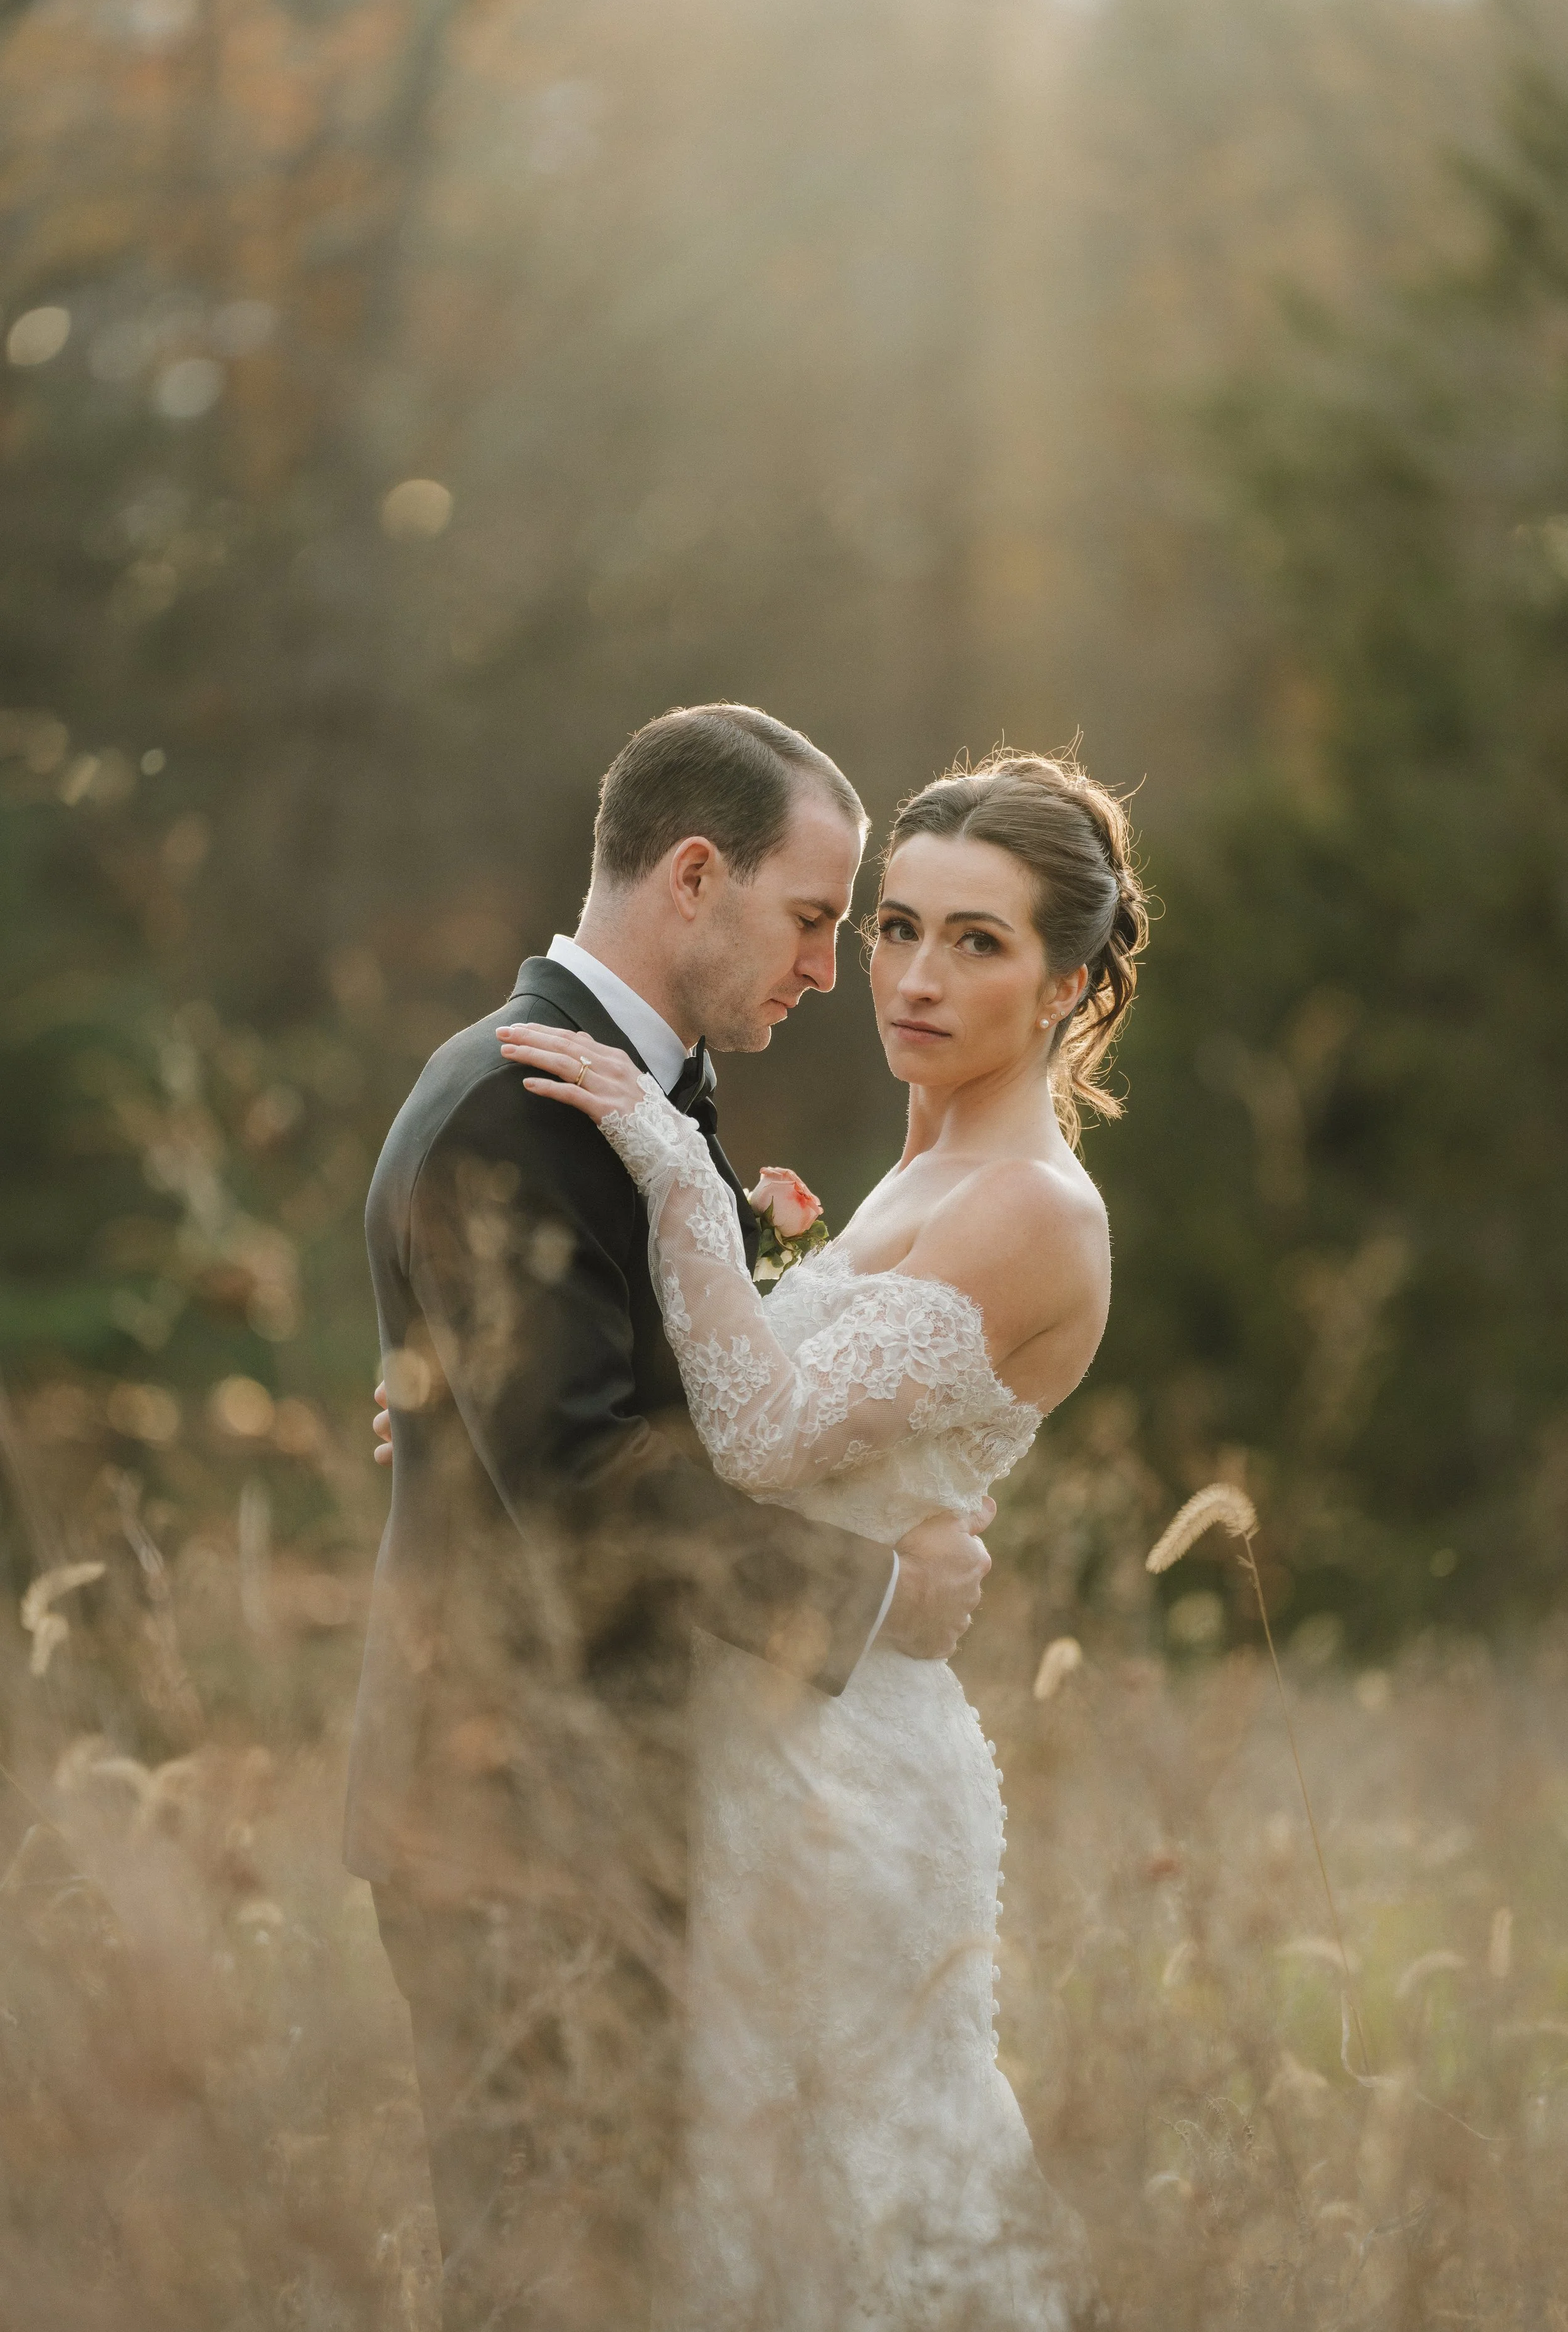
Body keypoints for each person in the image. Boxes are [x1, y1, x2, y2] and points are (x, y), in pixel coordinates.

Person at [344, 705, 994, 2329]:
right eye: (813, 916)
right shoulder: (519, 1107)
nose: (831, 967)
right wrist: (867, 1588)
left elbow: (586, 1402)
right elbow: (570, 1476)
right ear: (693, 874)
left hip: (597, 1797)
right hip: (515, 1816)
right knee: (553, 2275)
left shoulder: (622, 1096)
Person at [496, 746, 1147, 2329]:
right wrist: (489, 1419)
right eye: (894, 928)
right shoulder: (921, 1170)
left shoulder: (1034, 1212)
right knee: (728, 2191)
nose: (914, 978)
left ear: (1063, 986)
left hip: (844, 1780)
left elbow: (769, 1437)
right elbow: (770, 1416)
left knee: (830, 2190)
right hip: (759, 1721)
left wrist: (672, 1172)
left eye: (975, 943)